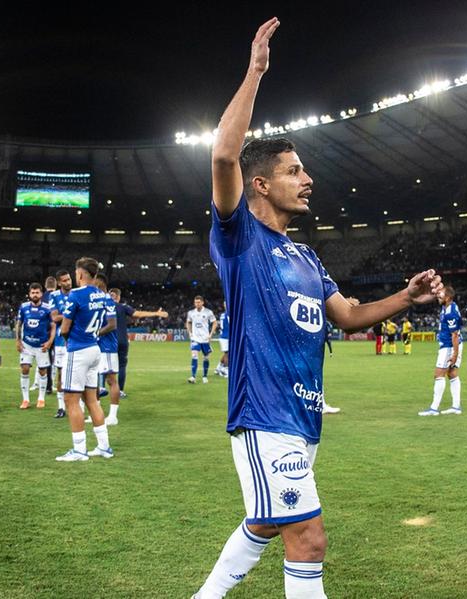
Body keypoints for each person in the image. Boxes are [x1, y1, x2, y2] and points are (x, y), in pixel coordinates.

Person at [193, 19, 443, 599]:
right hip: (265, 415)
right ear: (259, 184)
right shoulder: (239, 240)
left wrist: (407, 297)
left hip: (303, 419)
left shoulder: (305, 256)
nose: (309, 179)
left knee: (264, 524)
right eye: (295, 171)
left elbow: (348, 317)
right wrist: (255, 71)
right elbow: (223, 155)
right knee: (308, 538)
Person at [55, 256, 113, 462]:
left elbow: (64, 328)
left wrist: (68, 340)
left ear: (80, 274)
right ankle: (104, 447)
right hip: (95, 348)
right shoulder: (101, 295)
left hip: (78, 350)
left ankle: (79, 450)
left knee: (71, 399)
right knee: (92, 399)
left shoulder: (76, 295)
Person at [109, 287, 167, 397]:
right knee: (121, 366)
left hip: (108, 340)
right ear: (119, 297)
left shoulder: (103, 307)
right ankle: (120, 391)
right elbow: (138, 314)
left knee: (104, 365)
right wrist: (156, 313)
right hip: (122, 340)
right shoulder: (123, 307)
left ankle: (101, 389)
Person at [420, 286, 463, 416]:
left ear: (448, 297)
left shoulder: (451, 312)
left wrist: (454, 354)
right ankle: (456, 406)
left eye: (441, 294)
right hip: (450, 345)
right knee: (452, 374)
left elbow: (454, 335)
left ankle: (434, 408)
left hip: (449, 346)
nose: (438, 296)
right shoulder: (448, 306)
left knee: (438, 374)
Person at [16, 282, 58, 410]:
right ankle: (26, 399)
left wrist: (50, 341)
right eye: (32, 292)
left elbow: (53, 326)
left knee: (42, 371)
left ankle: (41, 398)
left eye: (37, 292)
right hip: (27, 344)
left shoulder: (47, 308)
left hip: (42, 345)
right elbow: (19, 324)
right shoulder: (23, 307)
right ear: (29, 294)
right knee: (24, 369)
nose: (35, 295)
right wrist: (18, 340)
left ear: (41, 294)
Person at [43, 271, 74, 419]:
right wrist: (73, 313)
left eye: (69, 279)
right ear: (59, 283)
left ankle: (78, 406)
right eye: (65, 280)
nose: (69, 282)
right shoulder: (54, 296)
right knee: (61, 375)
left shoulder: (77, 293)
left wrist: (67, 315)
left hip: (76, 340)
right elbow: (54, 317)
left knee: (77, 374)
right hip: (61, 342)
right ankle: (61, 407)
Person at [91, 274, 121, 425]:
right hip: (94, 346)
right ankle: (96, 414)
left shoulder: (108, 300)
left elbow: (112, 325)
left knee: (111, 380)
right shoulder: (94, 300)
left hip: (107, 346)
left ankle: (113, 416)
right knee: (93, 381)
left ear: (100, 283)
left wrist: (95, 333)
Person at [186, 295, 218, 384]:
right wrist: (190, 333)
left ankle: (205, 376)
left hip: (205, 338)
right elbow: (188, 322)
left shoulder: (208, 312)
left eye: (199, 302)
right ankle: (193, 376)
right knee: (194, 355)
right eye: (196, 302)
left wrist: (211, 334)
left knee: (206, 358)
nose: (197, 304)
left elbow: (215, 323)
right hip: (195, 338)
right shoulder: (191, 313)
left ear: (202, 302)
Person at [215, 301, 230, 378]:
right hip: (227, 337)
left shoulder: (222, 314)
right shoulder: (229, 314)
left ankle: (218, 367)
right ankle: (226, 370)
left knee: (226, 353)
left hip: (223, 336)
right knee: (227, 354)